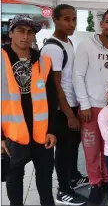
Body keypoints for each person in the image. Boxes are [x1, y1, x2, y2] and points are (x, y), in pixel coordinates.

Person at [1, 14, 58, 206]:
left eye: (30, 32)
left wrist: (52, 130)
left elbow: (51, 98)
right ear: (11, 32)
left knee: (45, 181)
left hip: (41, 134)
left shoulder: (42, 61)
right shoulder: (1, 60)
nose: (25, 36)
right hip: (13, 134)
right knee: (14, 181)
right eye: (21, 30)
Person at [73, 7, 108, 203]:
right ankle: (95, 183)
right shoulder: (87, 45)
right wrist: (85, 105)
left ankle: (107, 180)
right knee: (91, 148)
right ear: (102, 24)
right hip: (90, 108)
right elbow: (77, 75)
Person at [40, 4, 88, 206]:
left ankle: (73, 176)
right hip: (62, 109)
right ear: (55, 20)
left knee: (72, 145)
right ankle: (63, 190)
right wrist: (70, 115)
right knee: (64, 149)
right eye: (67, 19)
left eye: (74, 19)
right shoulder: (53, 47)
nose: (72, 23)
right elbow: (56, 86)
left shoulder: (67, 41)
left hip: (72, 104)